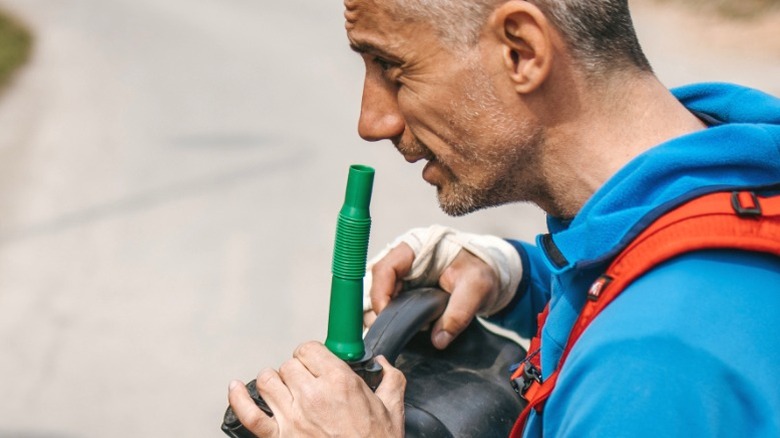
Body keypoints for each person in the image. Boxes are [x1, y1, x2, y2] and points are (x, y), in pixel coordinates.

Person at [228, 0, 780, 436]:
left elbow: (659, 337)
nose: (372, 121)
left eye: (392, 67)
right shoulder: (738, 180)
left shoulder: (652, 364)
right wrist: (519, 277)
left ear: (521, 49)